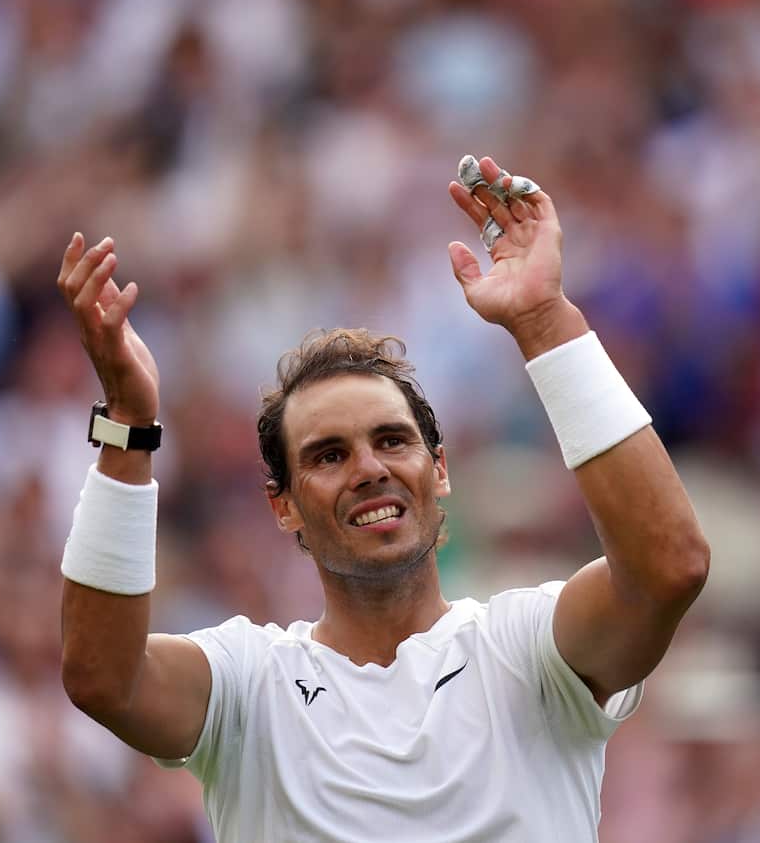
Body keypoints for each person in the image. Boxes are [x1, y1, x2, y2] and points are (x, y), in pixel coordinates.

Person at [56, 155, 710, 842]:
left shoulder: (527, 647)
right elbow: (102, 676)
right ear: (283, 505)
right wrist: (128, 424)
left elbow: (669, 566)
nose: (369, 468)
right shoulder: (250, 684)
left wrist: (545, 318)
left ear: (440, 470)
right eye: (329, 455)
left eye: (392, 441)